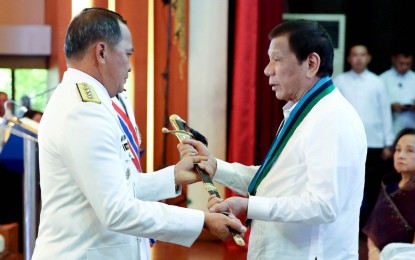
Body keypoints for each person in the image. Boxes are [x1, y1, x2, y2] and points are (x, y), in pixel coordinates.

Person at [32, 8, 246, 260]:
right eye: (127, 54)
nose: (131, 67)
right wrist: (202, 221)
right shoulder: (83, 110)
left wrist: (174, 176)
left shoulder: (94, 101)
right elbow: (117, 210)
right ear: (101, 52)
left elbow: (121, 185)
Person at [180, 19, 367, 259]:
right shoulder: (306, 110)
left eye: (277, 59)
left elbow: (324, 205)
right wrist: (215, 167)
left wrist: (249, 206)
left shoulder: (332, 118)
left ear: (311, 63)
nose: (268, 69)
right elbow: (275, 182)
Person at [333, 44, 394, 230]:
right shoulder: (339, 81)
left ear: (368, 58)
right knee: (348, 184)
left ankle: (370, 228)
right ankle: (349, 225)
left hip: (374, 142)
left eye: (362, 55)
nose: (358, 59)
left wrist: (388, 142)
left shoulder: (377, 82)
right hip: (346, 142)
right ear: (349, 58)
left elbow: (385, 112)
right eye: (354, 55)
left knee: (371, 186)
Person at [363, 128, 415, 260]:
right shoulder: (388, 185)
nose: (401, 155)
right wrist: (373, 253)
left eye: (410, 150)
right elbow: (374, 227)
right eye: (397, 149)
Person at [380, 50, 415, 136]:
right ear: (394, 60)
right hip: (391, 129)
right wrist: (390, 107)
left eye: (408, 64)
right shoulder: (382, 79)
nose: (405, 67)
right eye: (401, 63)